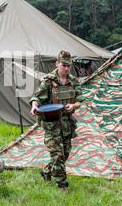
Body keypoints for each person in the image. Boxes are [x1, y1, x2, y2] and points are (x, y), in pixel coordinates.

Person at [29, 50, 85, 193]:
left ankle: (47, 171)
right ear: (57, 64)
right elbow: (36, 98)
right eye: (63, 65)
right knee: (58, 156)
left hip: (67, 124)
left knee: (64, 154)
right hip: (52, 124)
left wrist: (73, 106)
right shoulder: (49, 81)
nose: (66, 68)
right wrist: (34, 106)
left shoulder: (73, 81)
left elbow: (79, 101)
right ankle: (62, 186)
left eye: (68, 66)